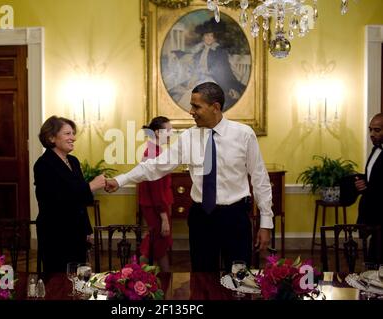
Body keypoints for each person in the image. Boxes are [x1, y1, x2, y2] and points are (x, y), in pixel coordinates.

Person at [106, 82, 273, 272]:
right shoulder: (188, 137)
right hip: (201, 218)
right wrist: (120, 180)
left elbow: (260, 179)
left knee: (239, 279)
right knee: (202, 279)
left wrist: (266, 223)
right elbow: (155, 166)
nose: (191, 111)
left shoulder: (244, 134)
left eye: (196, 106)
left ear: (215, 107)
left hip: (235, 218)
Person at [34, 116, 106, 273]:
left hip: (76, 231)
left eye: (73, 133)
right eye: (67, 133)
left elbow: (82, 200)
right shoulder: (43, 165)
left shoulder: (73, 161)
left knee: (77, 278)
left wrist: (87, 230)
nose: (73, 138)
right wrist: (91, 186)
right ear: (51, 137)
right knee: (58, 280)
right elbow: (56, 200)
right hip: (55, 233)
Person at [178, 18, 246, 110]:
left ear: (215, 38)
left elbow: (226, 71)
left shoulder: (219, 52)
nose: (209, 38)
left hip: (214, 81)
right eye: (207, 35)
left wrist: (229, 87)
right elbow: (195, 69)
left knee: (203, 97)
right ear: (203, 36)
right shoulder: (200, 51)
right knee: (189, 95)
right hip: (200, 80)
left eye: (212, 36)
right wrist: (192, 80)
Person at [138, 116, 174, 272]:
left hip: (156, 205)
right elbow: (156, 188)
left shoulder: (155, 150)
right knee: (159, 244)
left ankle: (138, 275)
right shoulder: (154, 153)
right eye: (169, 130)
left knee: (155, 242)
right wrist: (163, 216)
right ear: (158, 133)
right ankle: (164, 282)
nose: (171, 134)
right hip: (156, 206)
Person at [355, 112, 383, 262]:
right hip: (372, 216)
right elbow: (375, 177)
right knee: (372, 260)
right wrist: (363, 181)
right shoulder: (375, 150)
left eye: (377, 130)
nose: (372, 134)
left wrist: (368, 188)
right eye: (370, 129)